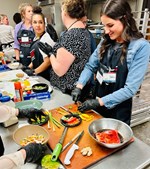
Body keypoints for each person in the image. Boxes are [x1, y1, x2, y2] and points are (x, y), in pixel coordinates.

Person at [71, 0, 150, 125]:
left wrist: (99, 102)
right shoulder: (106, 41)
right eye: (104, 26)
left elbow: (130, 89)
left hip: (118, 110)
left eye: (110, 25)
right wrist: (79, 86)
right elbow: (91, 66)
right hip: (98, 100)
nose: (106, 31)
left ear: (124, 19)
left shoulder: (140, 47)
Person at [38, 0, 91, 94]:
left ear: (65, 13)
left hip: (67, 91)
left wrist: (50, 54)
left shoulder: (71, 35)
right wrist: (56, 43)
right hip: (76, 89)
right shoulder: (82, 31)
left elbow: (59, 70)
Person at [22, 6, 56, 81]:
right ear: (32, 24)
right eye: (35, 22)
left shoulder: (46, 38)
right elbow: (35, 58)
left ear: (44, 24)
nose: (37, 25)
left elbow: (48, 62)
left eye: (40, 22)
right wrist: (28, 67)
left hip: (47, 77)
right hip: (39, 75)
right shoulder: (35, 38)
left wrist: (33, 72)